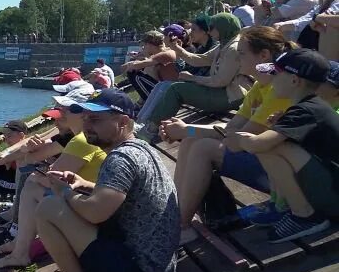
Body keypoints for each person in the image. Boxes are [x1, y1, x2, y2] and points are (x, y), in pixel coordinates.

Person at [34, 89, 179, 272]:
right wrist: (83, 184)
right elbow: (125, 194)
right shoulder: (140, 148)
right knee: (67, 203)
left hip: (142, 269)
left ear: (122, 122)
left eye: (95, 119)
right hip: (158, 261)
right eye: (85, 119)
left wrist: (65, 192)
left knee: (49, 207)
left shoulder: (121, 159)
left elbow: (95, 212)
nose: (86, 126)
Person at [161, 27, 296, 241]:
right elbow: (233, 127)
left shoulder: (279, 88)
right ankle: (175, 215)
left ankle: (181, 226)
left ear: (264, 56)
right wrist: (187, 131)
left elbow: (243, 133)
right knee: (190, 141)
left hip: (290, 175)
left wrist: (188, 128)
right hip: (270, 163)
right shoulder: (260, 86)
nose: (236, 57)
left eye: (241, 53)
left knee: (203, 147)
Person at [0, 91, 107, 269]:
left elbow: (53, 179)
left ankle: (20, 248)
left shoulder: (82, 141)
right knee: (33, 182)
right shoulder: (79, 139)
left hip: (90, 209)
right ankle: (20, 244)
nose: (60, 113)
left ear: (84, 113)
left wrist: (43, 169)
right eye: (61, 109)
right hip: (89, 201)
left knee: (33, 185)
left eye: (69, 109)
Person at [232, 49, 339, 242]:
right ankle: (291, 208)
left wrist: (239, 139)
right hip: (331, 188)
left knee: (270, 146)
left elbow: (258, 144)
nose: (272, 79)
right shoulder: (311, 106)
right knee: (274, 143)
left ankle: (305, 215)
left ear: (294, 81)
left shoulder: (306, 110)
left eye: (276, 73)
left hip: (334, 197)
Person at [136, 13, 247, 134]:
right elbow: (199, 59)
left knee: (176, 90)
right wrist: (177, 49)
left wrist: (193, 78)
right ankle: (149, 124)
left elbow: (220, 81)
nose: (209, 32)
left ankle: (150, 130)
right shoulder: (225, 44)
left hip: (229, 97)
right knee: (174, 88)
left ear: (223, 28)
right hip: (223, 93)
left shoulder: (233, 49)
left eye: (212, 28)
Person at [120, 30, 180, 101]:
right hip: (170, 89)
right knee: (145, 69)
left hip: (172, 93)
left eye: (144, 45)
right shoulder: (162, 53)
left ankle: (148, 102)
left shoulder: (165, 54)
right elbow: (123, 67)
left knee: (134, 74)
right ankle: (143, 102)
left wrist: (137, 61)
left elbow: (133, 66)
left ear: (149, 45)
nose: (143, 47)